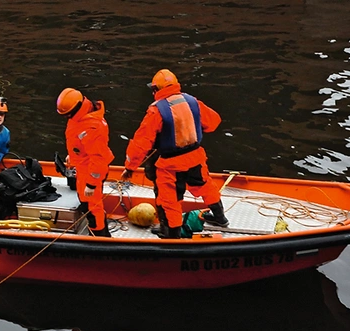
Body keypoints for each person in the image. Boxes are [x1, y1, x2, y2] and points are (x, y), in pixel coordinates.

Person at [121, 69, 227, 239]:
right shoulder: (192, 101)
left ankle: (171, 234)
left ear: (156, 89)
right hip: (195, 157)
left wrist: (130, 167)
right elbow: (213, 122)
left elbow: (141, 143)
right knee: (206, 186)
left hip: (170, 165)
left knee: (169, 200)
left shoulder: (156, 111)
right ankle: (220, 218)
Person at [56, 88, 114, 237]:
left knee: (93, 207)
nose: (66, 117)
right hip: (84, 165)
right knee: (87, 202)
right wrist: (73, 156)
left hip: (91, 170)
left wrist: (92, 184)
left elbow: (98, 157)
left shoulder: (92, 126)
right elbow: (80, 143)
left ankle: (99, 236)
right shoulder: (80, 117)